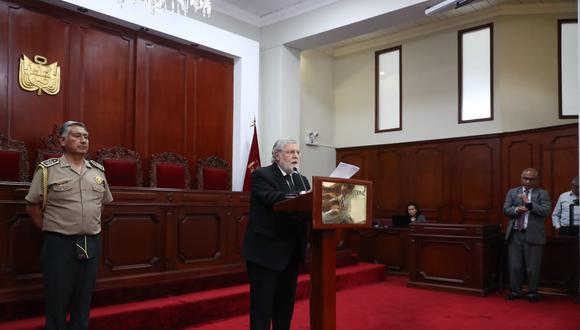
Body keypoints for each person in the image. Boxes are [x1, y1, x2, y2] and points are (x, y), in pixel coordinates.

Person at [25, 121, 113, 330]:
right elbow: (32, 206)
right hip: (60, 243)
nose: (83, 140)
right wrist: (52, 230)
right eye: (76, 136)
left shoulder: (97, 171)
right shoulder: (48, 170)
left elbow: (102, 204)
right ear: (62, 140)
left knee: (83, 301)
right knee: (57, 300)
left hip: (90, 242)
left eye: (86, 136)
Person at [241, 138, 310, 330]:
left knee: (285, 307)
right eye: (290, 152)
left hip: (290, 253)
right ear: (277, 155)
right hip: (265, 253)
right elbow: (270, 197)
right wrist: (299, 197)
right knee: (262, 309)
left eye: (297, 152)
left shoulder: (301, 179)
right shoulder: (262, 174)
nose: (295, 156)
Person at [503, 168, 550, 303]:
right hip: (515, 233)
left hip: (534, 235)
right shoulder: (512, 192)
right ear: (521, 178)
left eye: (531, 179)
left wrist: (528, 203)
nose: (528, 181)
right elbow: (506, 209)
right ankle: (515, 291)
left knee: (532, 266)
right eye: (525, 178)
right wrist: (517, 209)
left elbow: (545, 211)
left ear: (537, 180)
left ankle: (532, 293)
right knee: (515, 266)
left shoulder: (542, 193)